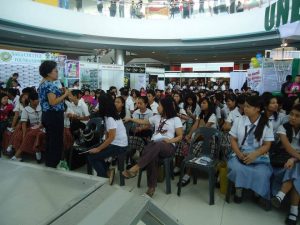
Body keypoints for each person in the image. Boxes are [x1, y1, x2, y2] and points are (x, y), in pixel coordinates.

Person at [123, 97, 183, 197]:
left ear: (166, 107)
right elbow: (143, 122)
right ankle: (151, 188)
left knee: (156, 145)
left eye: (159, 105)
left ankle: (136, 168)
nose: (157, 107)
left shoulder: (175, 119)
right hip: (155, 145)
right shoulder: (157, 117)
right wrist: (130, 118)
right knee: (152, 154)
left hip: (168, 146)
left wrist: (169, 140)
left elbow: (180, 136)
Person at [228, 95, 274, 203]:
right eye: (244, 106)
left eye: (248, 106)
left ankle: (256, 191)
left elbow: (267, 145)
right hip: (240, 152)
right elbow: (233, 140)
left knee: (262, 173)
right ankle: (238, 190)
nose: (245, 108)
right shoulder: (239, 120)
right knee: (237, 169)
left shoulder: (267, 123)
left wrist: (255, 154)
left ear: (257, 108)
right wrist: (239, 154)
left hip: (259, 154)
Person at [88, 94, 128, 184]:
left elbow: (111, 137)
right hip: (115, 143)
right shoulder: (109, 115)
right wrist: (101, 146)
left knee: (92, 157)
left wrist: (99, 148)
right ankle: (107, 172)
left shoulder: (110, 118)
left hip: (119, 145)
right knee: (91, 152)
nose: (98, 106)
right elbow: (108, 134)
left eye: (99, 104)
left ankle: (104, 177)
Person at [272, 104, 300, 225]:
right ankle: (294, 211)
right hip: (282, 162)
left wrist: (293, 159)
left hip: (292, 162)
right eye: (291, 114)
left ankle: (280, 195)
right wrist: (295, 158)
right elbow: (288, 148)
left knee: (296, 168)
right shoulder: (283, 128)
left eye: (297, 116)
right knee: (296, 170)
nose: (292, 117)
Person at [38, 61, 69, 168]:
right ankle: (53, 163)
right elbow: (53, 102)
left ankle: (50, 162)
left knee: (51, 139)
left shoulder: (43, 83)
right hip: (54, 116)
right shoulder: (49, 85)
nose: (57, 73)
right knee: (55, 141)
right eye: (55, 71)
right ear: (48, 73)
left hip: (47, 115)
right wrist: (65, 94)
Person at [11, 92, 44, 162]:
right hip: (32, 127)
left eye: (38, 99)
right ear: (31, 101)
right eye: (36, 99)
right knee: (25, 135)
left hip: (42, 126)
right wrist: (23, 134)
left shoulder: (41, 107)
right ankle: (37, 152)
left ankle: (16, 155)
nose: (38, 100)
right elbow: (24, 123)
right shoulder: (26, 109)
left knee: (29, 135)